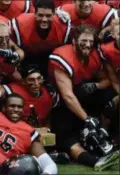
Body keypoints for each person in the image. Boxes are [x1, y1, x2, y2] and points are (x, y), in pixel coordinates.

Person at [48, 24, 119, 170]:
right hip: (60, 103)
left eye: (90, 42)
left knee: (110, 96)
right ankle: (96, 162)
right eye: (84, 41)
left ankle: (107, 135)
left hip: (81, 98)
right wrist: (87, 119)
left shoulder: (93, 55)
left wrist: (95, 86)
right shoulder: (63, 56)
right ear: (74, 41)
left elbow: (107, 80)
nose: (87, 45)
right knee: (69, 141)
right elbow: (67, 96)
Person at [10, 0, 72, 77]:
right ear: (34, 14)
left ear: (54, 14)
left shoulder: (63, 26)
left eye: (48, 16)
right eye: (40, 15)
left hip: (51, 60)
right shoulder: (21, 24)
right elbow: (9, 42)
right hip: (27, 59)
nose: (44, 19)